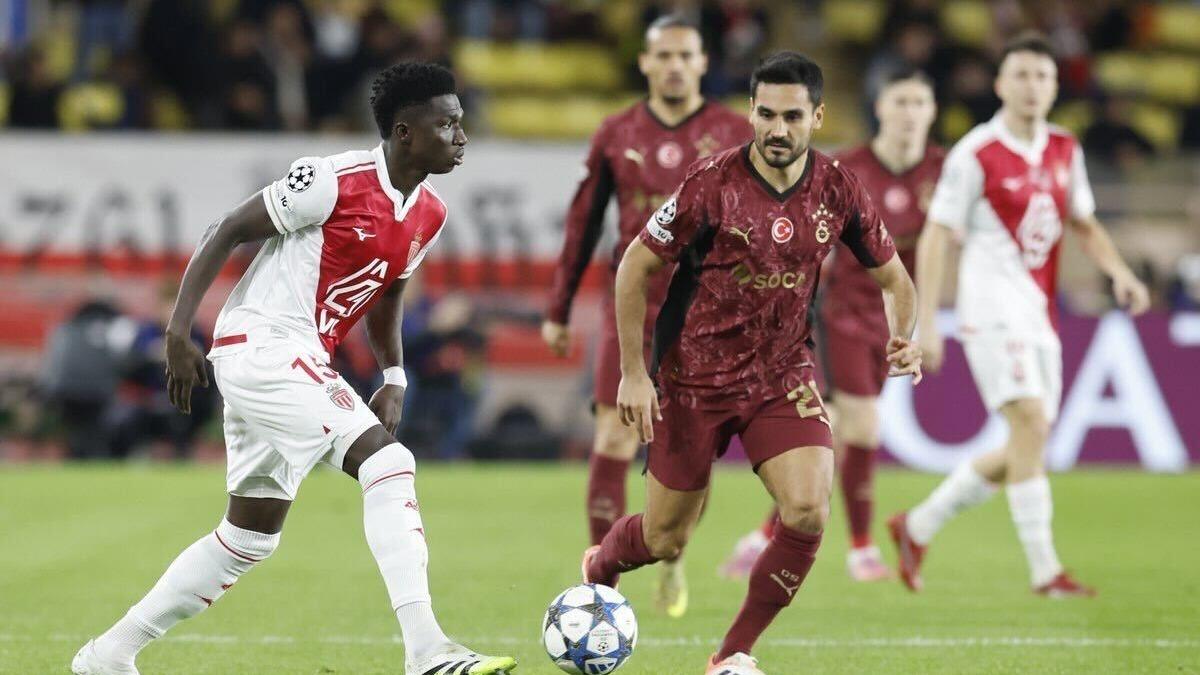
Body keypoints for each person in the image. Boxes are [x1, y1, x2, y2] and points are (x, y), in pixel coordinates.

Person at [71, 62, 517, 675]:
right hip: (264, 345)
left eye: (461, 123)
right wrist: (177, 330)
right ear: (404, 132)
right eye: (447, 124)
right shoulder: (331, 180)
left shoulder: (429, 214)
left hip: (294, 357)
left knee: (248, 538)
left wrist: (394, 376)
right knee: (390, 464)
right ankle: (427, 650)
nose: (462, 136)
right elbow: (227, 228)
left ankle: (109, 653)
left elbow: (388, 293)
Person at [581, 52, 922, 675]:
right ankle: (601, 564)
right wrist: (633, 373)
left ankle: (732, 653)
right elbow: (634, 267)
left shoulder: (838, 187)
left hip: (781, 376)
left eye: (792, 116)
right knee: (665, 537)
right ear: (751, 113)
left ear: (817, 117)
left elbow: (896, 279)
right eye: (766, 114)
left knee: (809, 508)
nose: (777, 129)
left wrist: (905, 335)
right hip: (692, 381)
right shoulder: (710, 183)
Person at [889, 33, 1150, 598]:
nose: (1032, 85)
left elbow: (1082, 222)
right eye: (1022, 75)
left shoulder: (1065, 148)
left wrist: (1120, 272)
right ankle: (1045, 571)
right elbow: (936, 235)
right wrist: (927, 321)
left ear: (1055, 87)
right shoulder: (975, 152)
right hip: (990, 309)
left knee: (1027, 443)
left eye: (1042, 76)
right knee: (1030, 423)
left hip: (1039, 312)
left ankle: (917, 526)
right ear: (1001, 84)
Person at [541, 14, 751, 618]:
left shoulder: (734, 132)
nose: (674, 66)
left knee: (693, 446)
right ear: (645, 63)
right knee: (613, 432)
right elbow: (584, 220)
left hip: (706, 311)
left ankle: (671, 549)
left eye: (685, 56)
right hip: (632, 302)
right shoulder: (617, 132)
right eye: (664, 56)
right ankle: (602, 585)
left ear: (703, 63)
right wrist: (558, 307)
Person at [722, 68, 944, 583]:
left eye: (919, 103)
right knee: (859, 426)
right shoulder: (849, 168)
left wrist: (926, 322)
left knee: (837, 434)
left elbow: (944, 249)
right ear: (880, 108)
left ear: (932, 112)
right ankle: (862, 549)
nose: (910, 113)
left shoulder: (945, 172)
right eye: (900, 102)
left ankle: (762, 536)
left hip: (893, 317)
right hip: (841, 314)